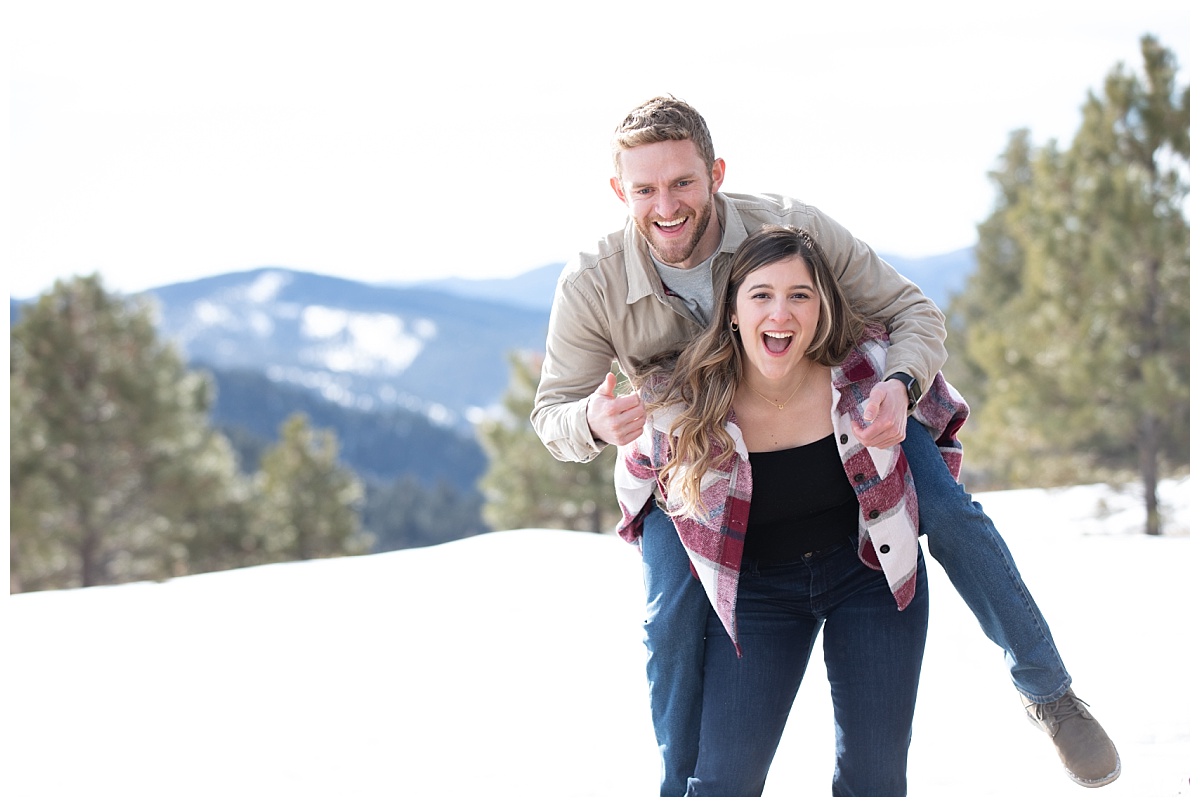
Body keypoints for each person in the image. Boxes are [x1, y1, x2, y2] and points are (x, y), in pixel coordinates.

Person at [531, 95, 1119, 793]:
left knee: (951, 513)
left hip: (845, 419)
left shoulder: (790, 226)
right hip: (693, 459)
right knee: (671, 617)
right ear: (618, 192)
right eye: (646, 189)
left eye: (683, 182)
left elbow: (913, 311)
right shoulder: (594, 282)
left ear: (715, 173)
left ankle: (1049, 691)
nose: (667, 205)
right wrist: (594, 423)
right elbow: (553, 415)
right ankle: (683, 786)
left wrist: (899, 382)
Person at [615, 225, 967, 796]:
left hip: (871, 578)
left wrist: (900, 512)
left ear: (822, 308)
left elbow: (942, 423)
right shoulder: (683, 400)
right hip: (757, 596)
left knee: (874, 783)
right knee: (723, 783)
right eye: (761, 295)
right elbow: (636, 487)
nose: (781, 313)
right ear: (732, 311)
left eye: (799, 295)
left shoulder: (867, 370)